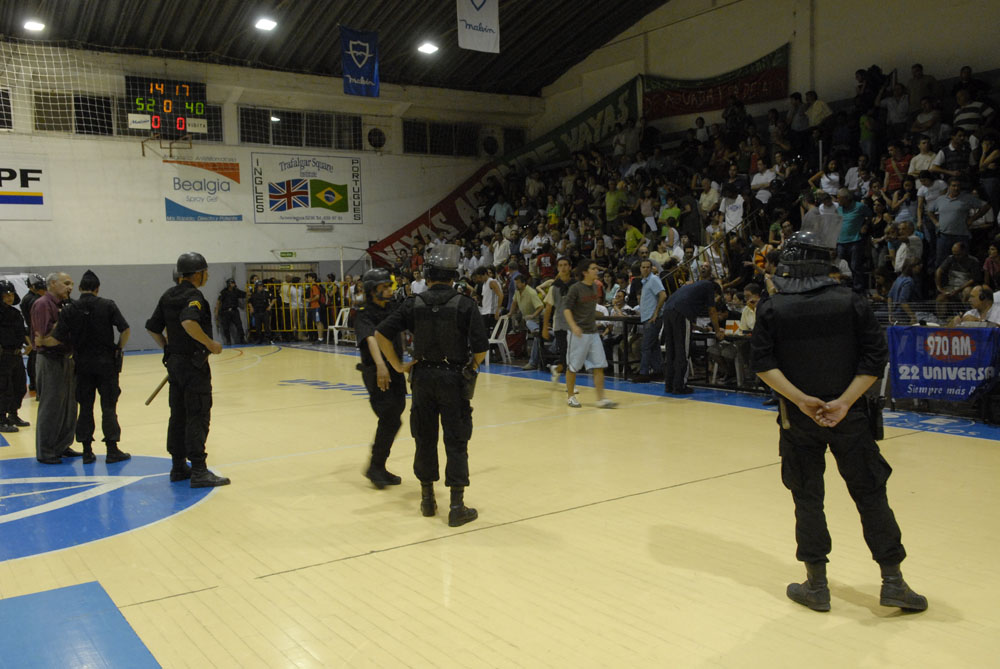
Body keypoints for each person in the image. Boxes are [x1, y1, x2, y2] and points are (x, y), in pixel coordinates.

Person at [751, 224, 927, 614]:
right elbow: (875, 358)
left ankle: (817, 585)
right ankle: (894, 582)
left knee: (807, 498)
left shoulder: (773, 308)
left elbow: (762, 363)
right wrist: (844, 402)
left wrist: (802, 401)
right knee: (871, 494)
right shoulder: (852, 302)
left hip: (798, 420)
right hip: (852, 418)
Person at [375, 244, 488, 527]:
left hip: (422, 378)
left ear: (427, 276)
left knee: (424, 438)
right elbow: (480, 349)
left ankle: (427, 500)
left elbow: (381, 334)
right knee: (456, 440)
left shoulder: (413, 303)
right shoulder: (465, 304)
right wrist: (470, 369)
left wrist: (398, 366)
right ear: (454, 276)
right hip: (453, 378)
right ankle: (456, 506)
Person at [145, 252, 230, 488]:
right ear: (197, 274)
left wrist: (168, 348)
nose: (207, 276)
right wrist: (210, 344)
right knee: (197, 414)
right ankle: (199, 470)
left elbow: (152, 328)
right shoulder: (194, 296)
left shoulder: (168, 295)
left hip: (175, 365)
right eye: (205, 272)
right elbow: (188, 322)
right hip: (194, 366)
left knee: (178, 415)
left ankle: (178, 466)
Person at [42, 270, 131, 464]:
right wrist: (118, 348)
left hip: (82, 365)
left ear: (80, 288)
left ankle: (87, 451)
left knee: (85, 408)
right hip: (106, 365)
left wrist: (41, 341)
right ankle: (112, 449)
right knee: (109, 407)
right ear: (97, 288)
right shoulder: (108, 305)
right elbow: (125, 329)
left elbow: (56, 339)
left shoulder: (70, 309)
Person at [355, 268, 407, 489]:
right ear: (372, 290)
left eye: (389, 286)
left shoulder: (393, 307)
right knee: (389, 416)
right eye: (384, 287)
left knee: (395, 414)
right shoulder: (363, 312)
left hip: (395, 368)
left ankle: (378, 466)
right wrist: (380, 366)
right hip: (376, 371)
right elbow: (370, 339)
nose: (389, 290)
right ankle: (375, 467)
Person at [31, 272, 80, 464]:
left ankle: (62, 445)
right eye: (66, 283)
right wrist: (66, 321)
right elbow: (46, 335)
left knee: (69, 405)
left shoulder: (66, 305)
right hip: (50, 359)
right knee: (51, 405)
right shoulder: (43, 304)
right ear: (52, 284)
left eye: (72, 284)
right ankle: (46, 450)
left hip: (67, 357)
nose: (70, 287)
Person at [661, 265, 725, 395]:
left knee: (671, 350)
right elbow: (712, 311)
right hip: (680, 313)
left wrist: (701, 328)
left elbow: (684, 319)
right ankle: (680, 386)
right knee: (682, 351)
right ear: (715, 292)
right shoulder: (709, 286)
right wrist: (718, 331)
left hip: (667, 311)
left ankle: (669, 384)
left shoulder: (693, 288)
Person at [563, 259, 618, 408]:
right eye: (593, 268)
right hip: (578, 333)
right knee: (573, 366)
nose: (596, 271)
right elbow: (566, 309)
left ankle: (601, 399)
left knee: (599, 365)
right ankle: (570, 396)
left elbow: (589, 309)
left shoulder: (595, 287)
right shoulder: (575, 288)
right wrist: (573, 326)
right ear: (585, 272)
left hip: (593, 332)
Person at [0, 280, 30, 433]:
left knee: (19, 386)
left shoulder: (15, 313)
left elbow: (21, 331)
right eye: (6, 295)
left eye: (11, 295)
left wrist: (28, 343)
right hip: (3, 356)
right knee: (4, 388)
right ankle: (1, 418)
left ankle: (13, 414)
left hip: (16, 355)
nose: (9, 298)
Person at [633, 259, 666, 382]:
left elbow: (663, 295)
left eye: (648, 267)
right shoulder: (646, 282)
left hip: (652, 319)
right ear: (640, 269)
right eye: (643, 267)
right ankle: (658, 371)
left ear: (651, 268)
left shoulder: (653, 280)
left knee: (646, 346)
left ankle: (644, 373)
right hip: (648, 317)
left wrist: (656, 312)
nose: (645, 269)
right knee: (654, 347)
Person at [20, 273, 46, 395]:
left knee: (33, 358)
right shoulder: (32, 300)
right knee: (35, 358)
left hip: (33, 331)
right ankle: (35, 383)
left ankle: (34, 383)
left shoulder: (29, 298)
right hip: (35, 332)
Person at [215, 279, 246, 346]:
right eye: (232, 283)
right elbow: (219, 302)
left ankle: (242, 339)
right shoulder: (223, 292)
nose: (233, 284)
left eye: (234, 283)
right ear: (229, 284)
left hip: (234, 311)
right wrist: (217, 312)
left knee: (239, 325)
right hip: (225, 312)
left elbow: (245, 294)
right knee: (226, 327)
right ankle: (228, 341)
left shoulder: (236, 291)